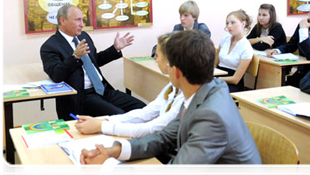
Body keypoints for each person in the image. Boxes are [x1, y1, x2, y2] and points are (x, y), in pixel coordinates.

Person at [80, 30, 265, 175]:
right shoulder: (205, 90)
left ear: (175, 72)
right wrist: (115, 150)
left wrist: (106, 170)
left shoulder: (211, 116)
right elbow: (164, 137)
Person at [40, 4, 146, 121]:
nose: (82, 24)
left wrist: (115, 48)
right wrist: (75, 56)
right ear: (63, 20)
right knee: (118, 116)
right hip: (82, 96)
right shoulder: (50, 46)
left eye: (82, 20)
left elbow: (95, 60)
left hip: (103, 90)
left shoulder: (83, 36)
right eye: (77, 20)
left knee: (142, 109)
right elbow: (56, 75)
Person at [75, 33, 184, 139]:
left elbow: (150, 128)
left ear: (169, 60)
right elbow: (146, 113)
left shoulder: (184, 95)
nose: (155, 58)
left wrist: (100, 126)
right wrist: (104, 121)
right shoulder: (172, 86)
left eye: (157, 55)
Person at [266, 0, 310, 86]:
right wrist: (277, 51)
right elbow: (291, 45)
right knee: (283, 84)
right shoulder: (303, 26)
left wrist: (303, 30)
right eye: (309, 13)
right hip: (302, 71)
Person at [216, 10, 254, 92]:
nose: (229, 26)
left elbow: (235, 79)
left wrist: (215, 79)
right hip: (218, 76)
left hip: (232, 83)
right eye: (227, 23)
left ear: (243, 24)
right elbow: (215, 64)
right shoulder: (225, 39)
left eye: (233, 23)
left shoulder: (246, 47)